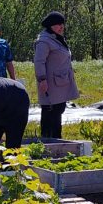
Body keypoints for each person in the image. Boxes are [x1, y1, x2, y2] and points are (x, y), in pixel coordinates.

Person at [33, 11, 79, 139]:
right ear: (51, 26)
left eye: (62, 24)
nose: (61, 27)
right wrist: (42, 79)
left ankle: (57, 141)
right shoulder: (44, 41)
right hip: (49, 85)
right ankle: (48, 142)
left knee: (58, 111)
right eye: (58, 24)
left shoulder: (56, 38)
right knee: (50, 113)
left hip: (60, 84)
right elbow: (39, 61)